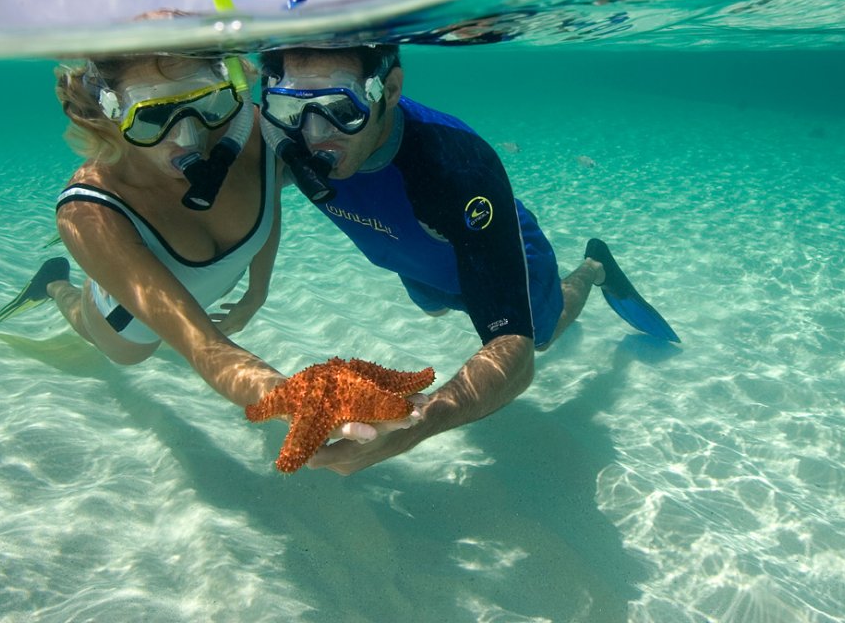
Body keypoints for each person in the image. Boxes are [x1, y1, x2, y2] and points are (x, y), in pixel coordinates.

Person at [259, 44, 678, 474]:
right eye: (292, 108)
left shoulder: (455, 169)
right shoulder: (282, 135)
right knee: (436, 308)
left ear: (389, 89)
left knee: (540, 336)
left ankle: (594, 268)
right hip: (415, 260)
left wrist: (413, 429)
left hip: (494, 251)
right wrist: (255, 290)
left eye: (339, 108)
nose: (313, 134)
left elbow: (513, 354)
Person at [0, 45, 291, 410]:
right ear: (111, 112)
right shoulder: (87, 209)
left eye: (205, 102)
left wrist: (257, 293)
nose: (187, 136)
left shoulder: (251, 133)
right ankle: (54, 284)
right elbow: (203, 345)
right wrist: (298, 402)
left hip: (197, 294)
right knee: (109, 340)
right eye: (153, 116)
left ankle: (118, 253)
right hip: (126, 327)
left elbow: (267, 203)